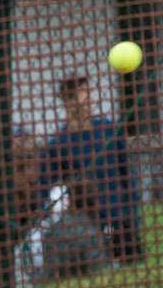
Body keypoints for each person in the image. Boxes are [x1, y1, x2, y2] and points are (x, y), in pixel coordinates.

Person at [38, 75, 142, 265]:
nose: (89, 98)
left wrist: (131, 210)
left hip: (120, 215)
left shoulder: (109, 129)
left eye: (89, 92)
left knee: (131, 265)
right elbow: (45, 185)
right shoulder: (59, 143)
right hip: (89, 220)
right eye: (81, 94)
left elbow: (126, 172)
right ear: (68, 101)